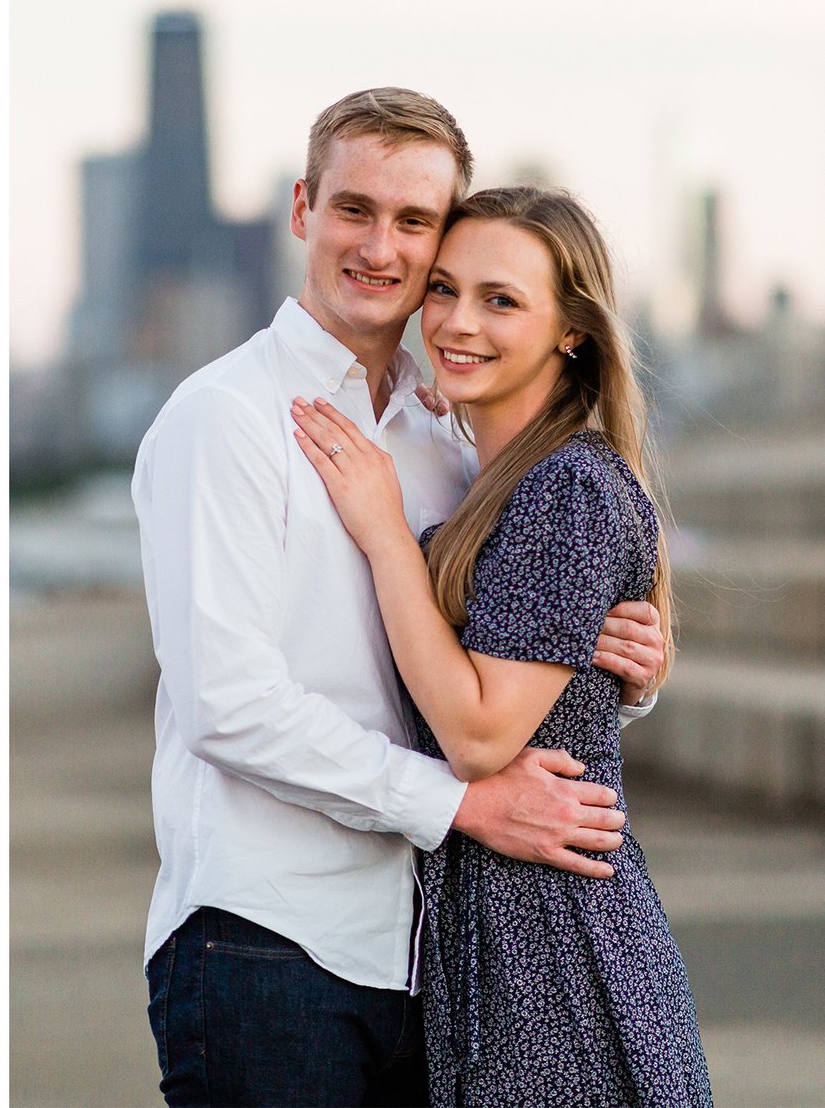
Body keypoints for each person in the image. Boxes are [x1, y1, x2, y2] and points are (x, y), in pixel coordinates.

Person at [133, 89, 671, 1106]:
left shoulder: (441, 439)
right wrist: (463, 803)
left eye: (413, 221)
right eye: (353, 209)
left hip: (428, 960)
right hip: (265, 944)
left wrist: (612, 659)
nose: (380, 246)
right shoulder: (224, 418)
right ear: (301, 209)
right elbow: (227, 703)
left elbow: (495, 647)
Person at [292, 186, 710, 1105]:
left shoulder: (565, 489)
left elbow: (481, 737)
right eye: (443, 290)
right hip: (495, 939)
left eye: (502, 300)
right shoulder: (490, 479)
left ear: (573, 333)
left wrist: (387, 536)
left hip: (555, 947)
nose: (455, 322)